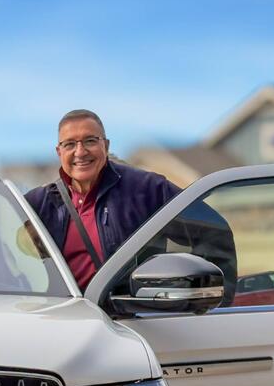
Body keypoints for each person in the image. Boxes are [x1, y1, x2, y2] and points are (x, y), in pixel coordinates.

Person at [24, 109, 183, 289]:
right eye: (69, 144)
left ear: (106, 146)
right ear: (59, 152)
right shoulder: (37, 204)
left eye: (90, 141)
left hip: (128, 315)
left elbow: (213, 235)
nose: (80, 152)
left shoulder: (148, 189)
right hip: (63, 314)